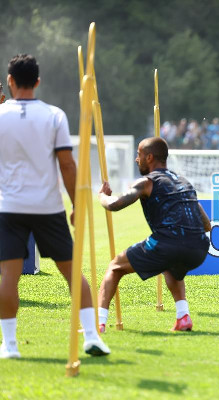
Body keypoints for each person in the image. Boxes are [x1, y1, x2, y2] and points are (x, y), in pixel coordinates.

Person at [0, 54, 109, 358]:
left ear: (10, 81)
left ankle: (10, 346)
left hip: (9, 207)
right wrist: (77, 204)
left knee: (9, 276)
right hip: (47, 206)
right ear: (37, 82)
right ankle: (92, 337)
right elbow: (67, 165)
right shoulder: (54, 115)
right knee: (72, 272)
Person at [97, 137, 211, 332]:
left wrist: (102, 196)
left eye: (139, 155)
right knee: (172, 267)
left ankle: (98, 323)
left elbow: (115, 204)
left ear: (149, 157)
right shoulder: (183, 182)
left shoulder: (147, 182)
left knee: (115, 266)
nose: (136, 159)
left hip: (169, 243)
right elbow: (206, 225)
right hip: (199, 248)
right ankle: (183, 317)